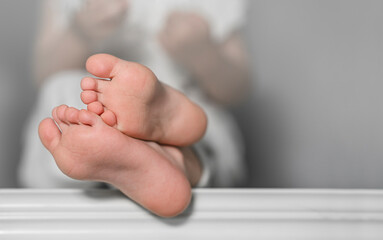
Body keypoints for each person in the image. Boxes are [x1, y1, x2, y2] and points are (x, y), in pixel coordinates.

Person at [19, 0, 250, 215]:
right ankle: (170, 160)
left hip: (182, 104)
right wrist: (80, 32)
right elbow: (45, 73)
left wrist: (202, 53)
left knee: (199, 133)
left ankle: (165, 148)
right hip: (94, 105)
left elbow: (235, 89)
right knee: (61, 89)